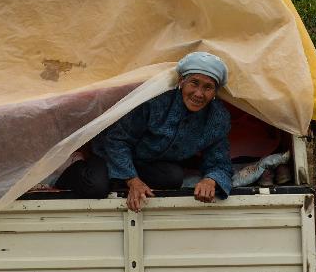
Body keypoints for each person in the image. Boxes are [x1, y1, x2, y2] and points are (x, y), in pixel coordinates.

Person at [56, 52, 232, 212]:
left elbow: (219, 160)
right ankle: (76, 165)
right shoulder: (155, 100)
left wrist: (211, 180)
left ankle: (118, 179)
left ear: (215, 92)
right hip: (110, 153)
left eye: (208, 87)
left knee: (173, 178)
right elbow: (117, 140)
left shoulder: (217, 118)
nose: (199, 93)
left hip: (147, 162)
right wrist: (133, 180)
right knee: (96, 186)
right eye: (194, 83)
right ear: (181, 81)